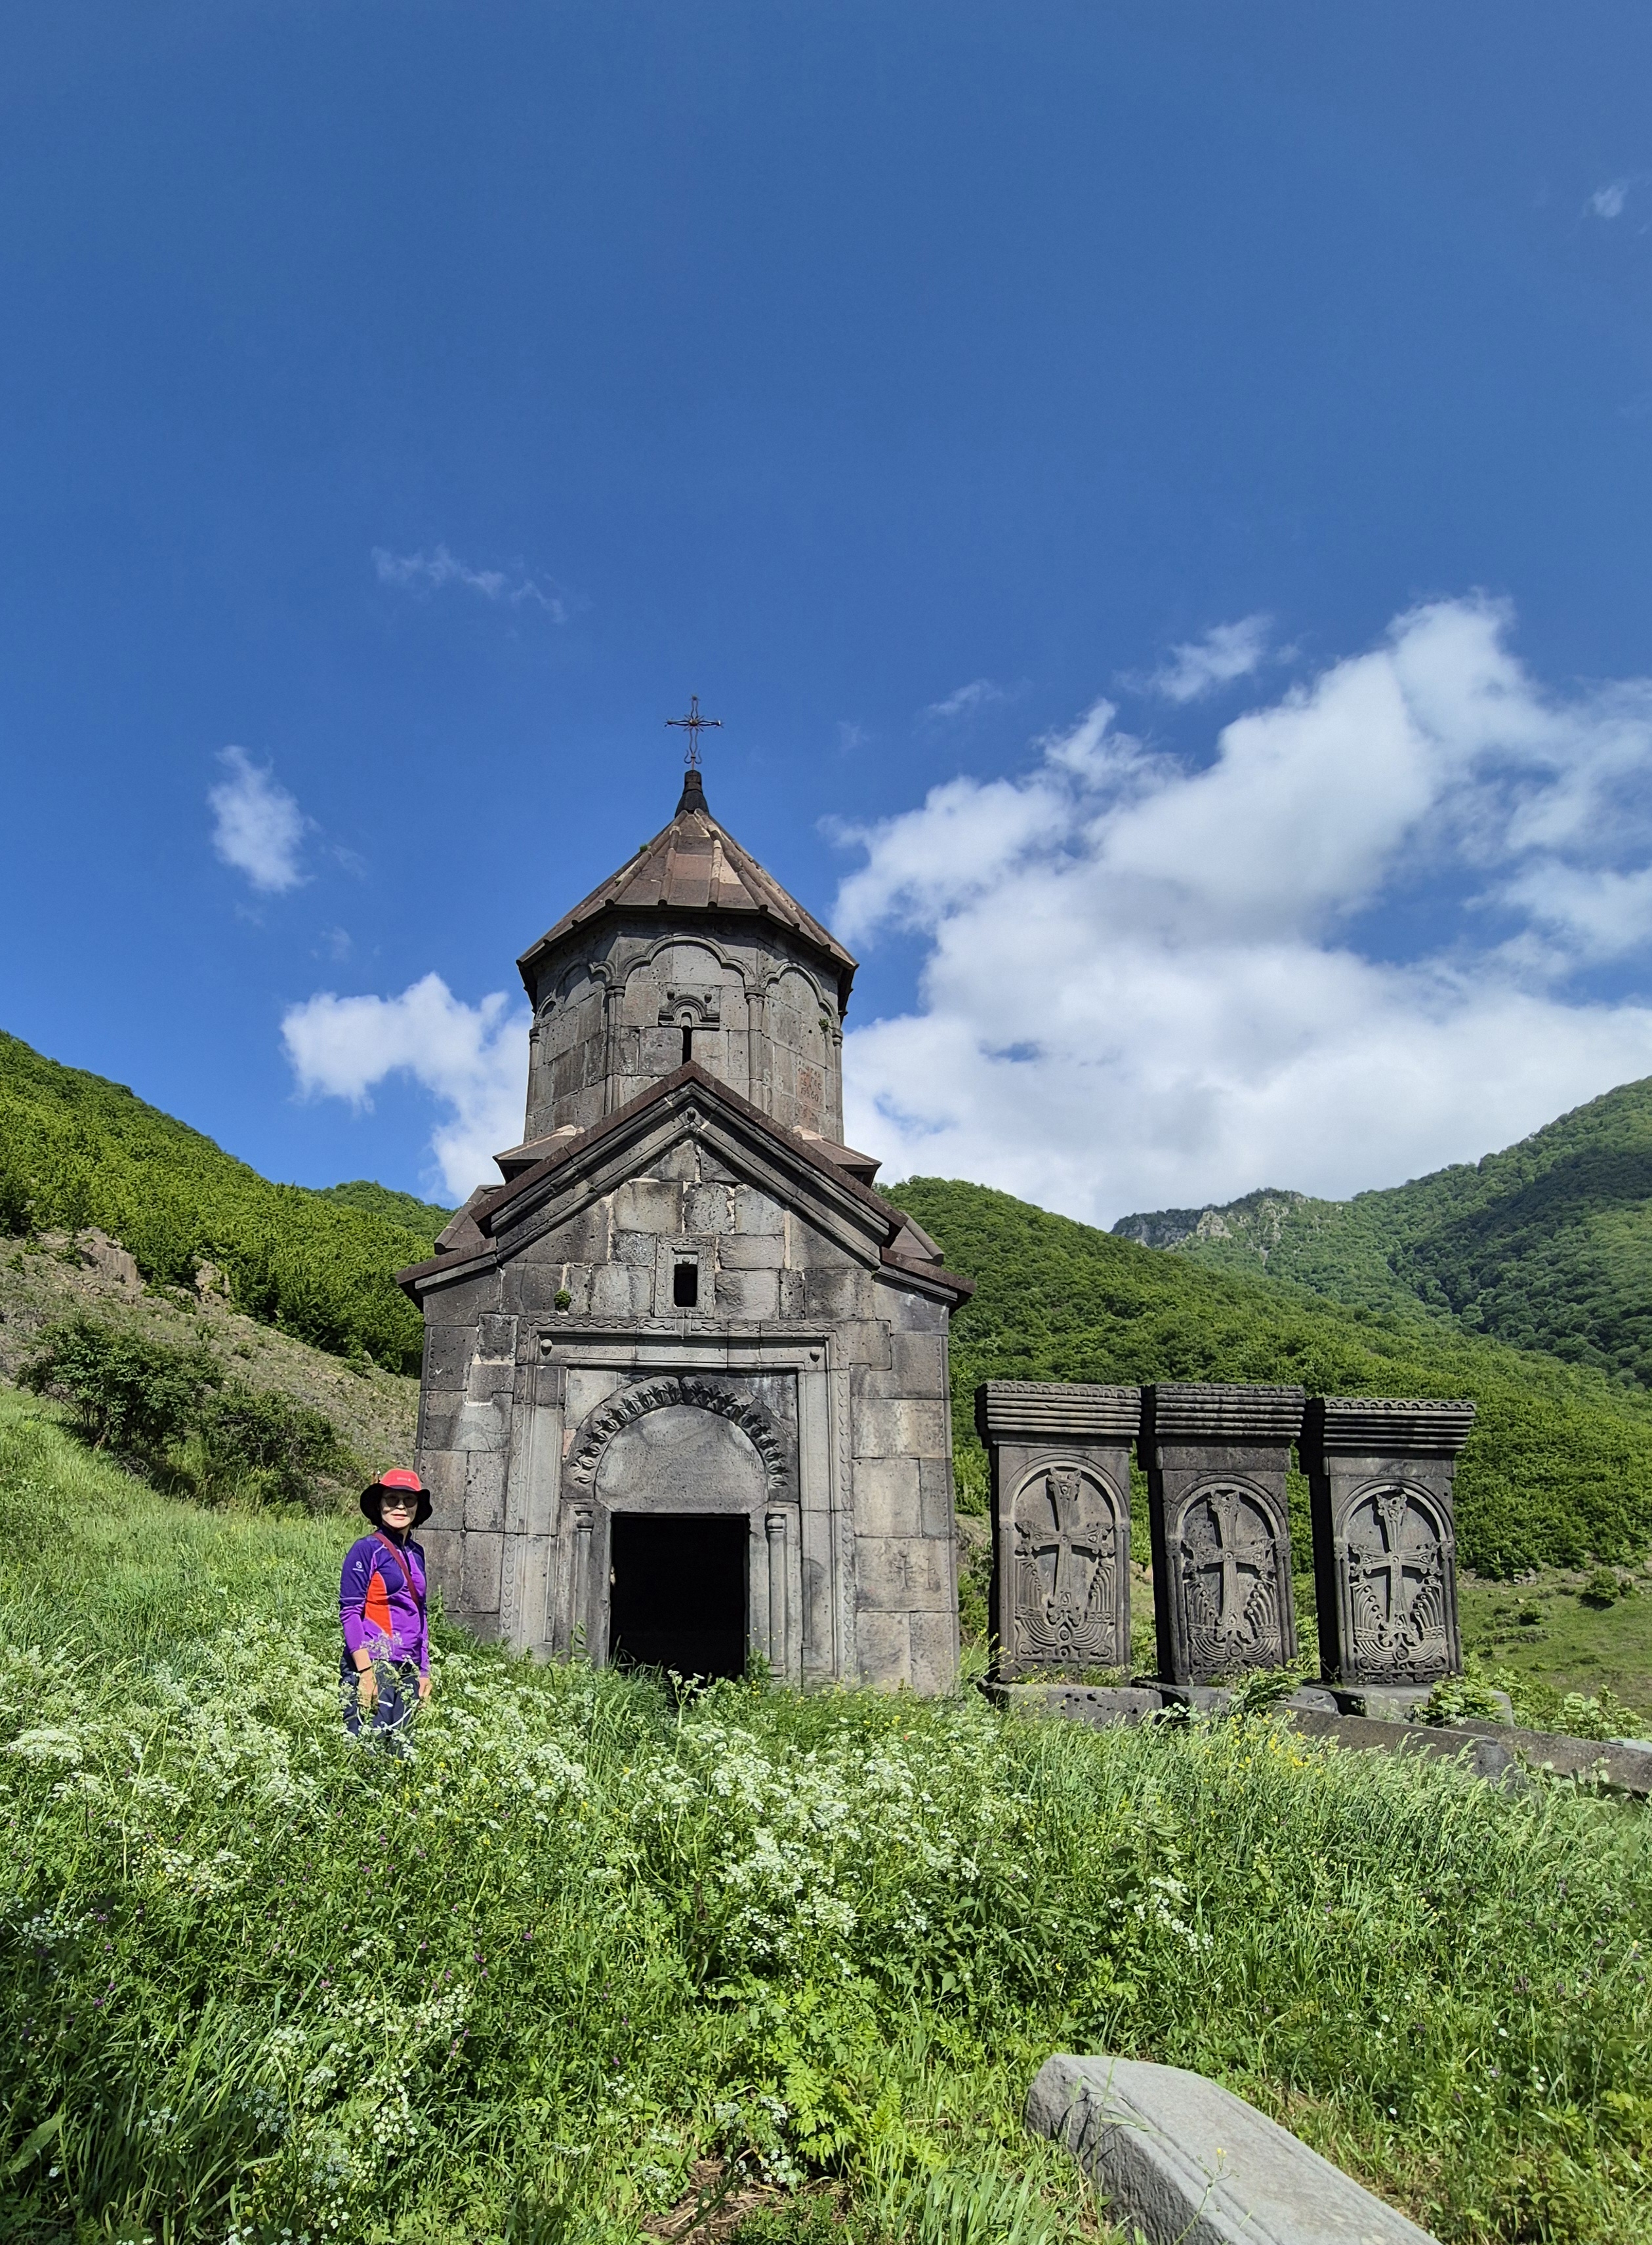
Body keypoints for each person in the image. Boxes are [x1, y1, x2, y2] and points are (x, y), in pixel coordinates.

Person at [340, 1468, 432, 1746]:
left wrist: (424, 1671)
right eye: (392, 1499)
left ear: (417, 1507)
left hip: (408, 1667)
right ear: (380, 1504)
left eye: (409, 1500)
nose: (401, 1506)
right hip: (375, 1662)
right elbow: (350, 1612)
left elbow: (421, 1613)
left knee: (401, 1754)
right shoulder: (366, 1549)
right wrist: (365, 1673)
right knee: (368, 1750)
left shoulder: (417, 1553)